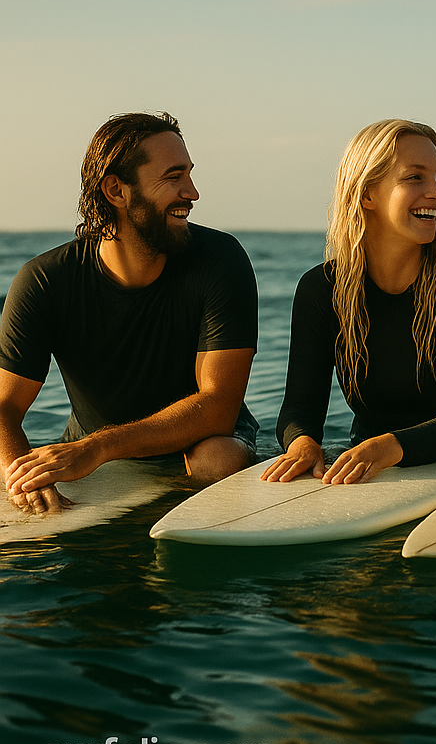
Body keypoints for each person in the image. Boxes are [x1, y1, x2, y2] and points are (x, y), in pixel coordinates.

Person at [1, 112, 259, 515]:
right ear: (117, 191)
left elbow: (218, 406)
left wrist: (97, 448)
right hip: (93, 448)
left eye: (189, 174)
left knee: (218, 460)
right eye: (174, 177)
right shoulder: (45, 281)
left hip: (200, 438)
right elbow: (4, 406)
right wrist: (22, 479)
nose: (192, 192)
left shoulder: (220, 260)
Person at [263, 119, 436, 486]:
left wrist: (385, 448)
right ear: (367, 195)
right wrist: (302, 444)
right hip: (370, 464)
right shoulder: (321, 289)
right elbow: (300, 408)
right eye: (416, 178)